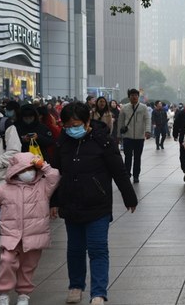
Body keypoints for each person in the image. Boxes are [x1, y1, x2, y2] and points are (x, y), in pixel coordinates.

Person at [50, 102, 137, 305]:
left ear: (88, 121)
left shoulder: (103, 142)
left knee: (98, 249)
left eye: (76, 124)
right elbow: (54, 174)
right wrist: (54, 201)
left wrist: (129, 197)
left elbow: (119, 171)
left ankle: (98, 292)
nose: (72, 129)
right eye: (67, 125)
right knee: (75, 249)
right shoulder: (63, 142)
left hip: (97, 205)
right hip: (71, 204)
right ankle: (76, 286)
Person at [0, 153, 59, 305]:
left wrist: (43, 165)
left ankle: (23, 293)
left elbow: (54, 176)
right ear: (15, 171)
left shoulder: (42, 187)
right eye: (23, 169)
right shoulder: (3, 189)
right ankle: (3, 292)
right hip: (11, 235)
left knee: (28, 266)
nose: (28, 173)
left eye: (31, 169)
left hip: (34, 235)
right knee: (7, 261)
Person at [117, 89, 151, 183]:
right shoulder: (124, 107)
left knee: (137, 157)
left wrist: (147, 131)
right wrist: (119, 135)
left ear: (138, 96)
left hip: (139, 137)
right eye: (132, 95)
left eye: (136, 95)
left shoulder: (143, 107)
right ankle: (127, 174)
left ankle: (136, 175)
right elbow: (120, 122)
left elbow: (147, 119)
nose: (134, 97)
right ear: (129, 97)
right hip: (128, 136)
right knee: (127, 156)